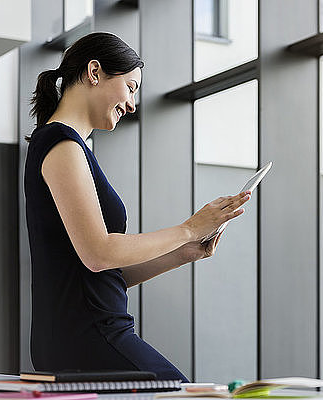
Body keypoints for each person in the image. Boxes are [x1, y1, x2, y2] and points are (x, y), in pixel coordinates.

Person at [24, 32, 250, 381]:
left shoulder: (69, 147)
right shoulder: (61, 144)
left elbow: (100, 274)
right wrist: (188, 228)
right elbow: (98, 253)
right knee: (177, 390)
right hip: (89, 335)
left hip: (83, 334)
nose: (132, 104)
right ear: (94, 72)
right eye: (131, 87)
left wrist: (184, 252)